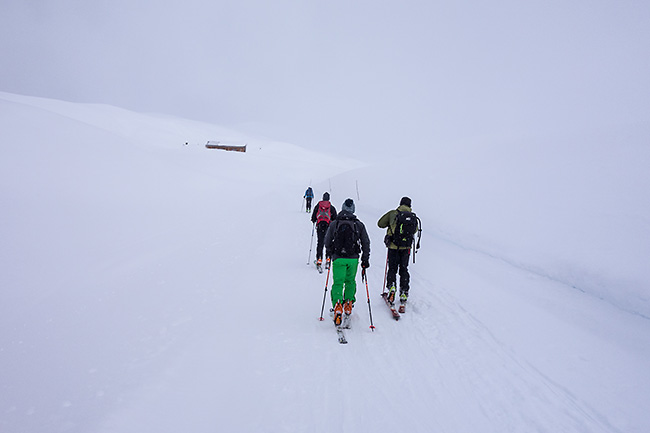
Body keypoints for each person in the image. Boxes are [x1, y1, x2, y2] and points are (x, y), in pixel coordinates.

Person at [325, 198, 370, 326]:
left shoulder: (335, 223)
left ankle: (338, 305)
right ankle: (348, 304)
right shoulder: (358, 224)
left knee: (338, 282)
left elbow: (327, 240)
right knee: (350, 281)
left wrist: (329, 253)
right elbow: (366, 242)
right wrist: (365, 258)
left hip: (338, 258)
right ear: (353, 209)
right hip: (353, 258)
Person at [377, 196, 417, 307]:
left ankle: (392, 287)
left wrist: (391, 225)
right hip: (406, 248)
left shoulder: (393, 213)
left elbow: (380, 223)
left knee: (392, 268)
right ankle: (404, 292)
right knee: (404, 269)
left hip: (393, 246)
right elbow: (416, 229)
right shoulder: (413, 217)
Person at [311, 192, 337, 270]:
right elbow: (335, 218)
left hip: (320, 226)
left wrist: (314, 221)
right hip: (328, 227)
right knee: (328, 242)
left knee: (320, 242)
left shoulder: (318, 206)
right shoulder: (331, 207)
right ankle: (328, 258)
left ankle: (319, 259)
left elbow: (313, 217)